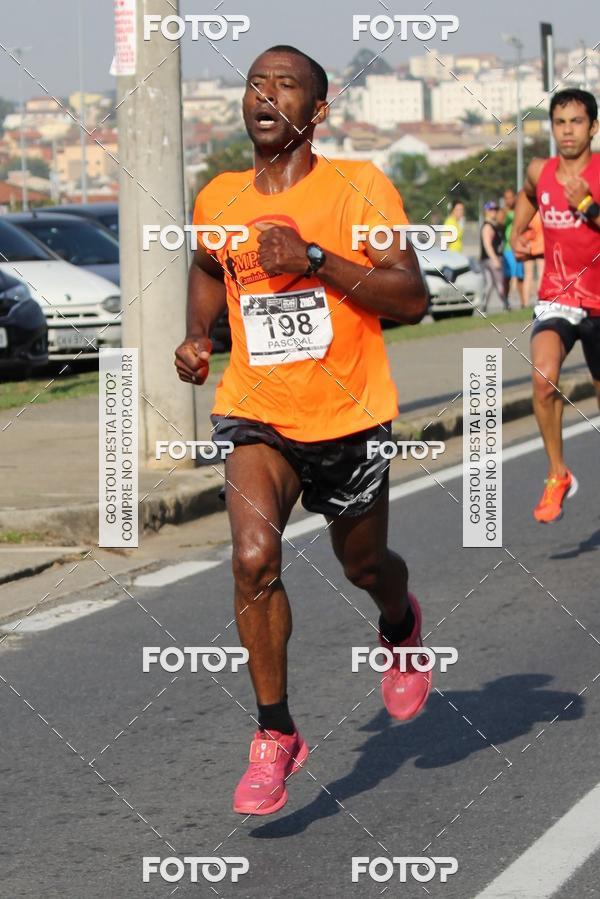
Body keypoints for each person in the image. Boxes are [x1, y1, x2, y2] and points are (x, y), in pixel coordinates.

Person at [174, 45, 430, 816]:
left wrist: (315, 257)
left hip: (350, 415)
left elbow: (411, 296)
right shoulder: (219, 196)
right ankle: (275, 731)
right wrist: (198, 334)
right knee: (253, 557)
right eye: (256, 82)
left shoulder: (359, 187)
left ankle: (401, 622)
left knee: (365, 566)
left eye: (286, 85)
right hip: (257, 408)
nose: (266, 93)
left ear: (316, 112)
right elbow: (207, 268)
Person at [512, 88, 600, 523]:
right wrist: (517, 231)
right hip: (558, 296)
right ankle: (557, 473)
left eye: (577, 122)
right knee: (544, 380)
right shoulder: (540, 170)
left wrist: (585, 203)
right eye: (560, 122)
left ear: (593, 128)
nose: (568, 131)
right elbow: (529, 193)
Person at [480, 201, 508, 311]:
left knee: (490, 284)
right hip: (491, 259)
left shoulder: (494, 225)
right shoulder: (488, 226)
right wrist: (495, 259)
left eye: (495, 210)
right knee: (499, 283)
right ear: (486, 211)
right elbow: (487, 245)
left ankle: (483, 307)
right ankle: (506, 305)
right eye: (491, 210)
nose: (494, 212)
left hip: (487, 259)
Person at [502, 188, 526, 306]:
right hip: (507, 249)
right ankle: (506, 302)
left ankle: (523, 302)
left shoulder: (519, 210)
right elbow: (500, 222)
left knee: (520, 277)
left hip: (518, 247)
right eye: (507, 198)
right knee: (507, 277)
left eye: (511, 197)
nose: (509, 200)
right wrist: (504, 213)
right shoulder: (504, 212)